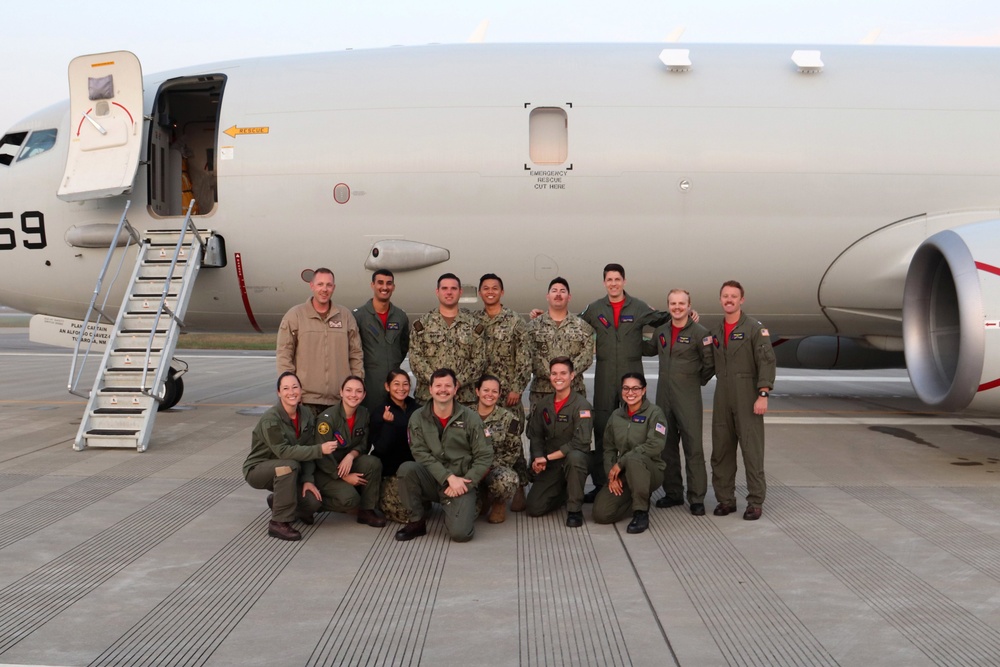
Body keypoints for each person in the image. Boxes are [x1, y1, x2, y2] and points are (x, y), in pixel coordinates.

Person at [579, 264, 669, 502]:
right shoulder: (595, 308)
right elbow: (573, 324)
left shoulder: (638, 307)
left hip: (632, 374)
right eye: (609, 280)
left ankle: (633, 479)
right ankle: (601, 483)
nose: (613, 283)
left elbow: (664, 319)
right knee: (602, 427)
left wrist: (687, 314)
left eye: (617, 279)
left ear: (624, 282)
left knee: (637, 429)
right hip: (606, 375)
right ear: (604, 283)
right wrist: (542, 315)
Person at [395, 368, 494, 543]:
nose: (443, 390)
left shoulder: (471, 418)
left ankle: (473, 501)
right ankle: (417, 521)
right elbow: (419, 452)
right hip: (433, 478)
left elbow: (484, 456)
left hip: (462, 481)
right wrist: (447, 477)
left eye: (448, 386)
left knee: (461, 534)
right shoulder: (417, 417)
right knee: (407, 469)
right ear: (430, 389)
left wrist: (465, 482)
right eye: (438, 385)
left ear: (456, 389)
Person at [642, 289, 715, 515]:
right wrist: (631, 331)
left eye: (681, 303)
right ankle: (673, 493)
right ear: (668, 306)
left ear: (689, 305)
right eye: (673, 303)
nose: (677, 307)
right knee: (666, 447)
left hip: (688, 398)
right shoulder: (661, 331)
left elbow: (710, 364)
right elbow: (648, 349)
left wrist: (693, 382)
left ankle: (696, 497)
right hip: (664, 397)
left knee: (693, 448)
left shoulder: (700, 333)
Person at [243, 371, 339, 541]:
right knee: (289, 465)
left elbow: (307, 446)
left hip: (289, 467)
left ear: (301, 390)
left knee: (312, 503)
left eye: (295, 387)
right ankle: (278, 523)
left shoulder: (307, 414)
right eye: (286, 388)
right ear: (279, 393)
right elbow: (284, 452)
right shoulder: (270, 419)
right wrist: (320, 449)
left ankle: (278, 501)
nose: (291, 392)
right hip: (259, 468)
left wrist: (308, 479)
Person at [710, 280, 776, 521]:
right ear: (720, 300)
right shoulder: (716, 332)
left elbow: (767, 361)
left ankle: (755, 501)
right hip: (722, 396)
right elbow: (708, 364)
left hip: (747, 394)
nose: (729, 300)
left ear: (741, 300)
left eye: (733, 296)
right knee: (721, 451)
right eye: (725, 296)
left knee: (752, 450)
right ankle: (725, 500)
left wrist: (763, 393)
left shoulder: (754, 329)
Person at [474, 273, 531, 510]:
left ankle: (518, 486)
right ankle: (485, 490)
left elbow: (525, 357)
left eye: (494, 288)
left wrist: (517, 388)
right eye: (485, 288)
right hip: (482, 395)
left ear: (502, 292)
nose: (490, 292)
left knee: (512, 442)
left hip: (508, 395)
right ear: (480, 292)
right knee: (481, 440)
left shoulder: (515, 321)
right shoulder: (474, 321)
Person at [276, 268, 364, 414]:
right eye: (320, 284)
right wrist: (290, 391)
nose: (324, 289)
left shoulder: (345, 316)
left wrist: (355, 388)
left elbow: (356, 354)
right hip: (306, 402)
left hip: (339, 401)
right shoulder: (295, 316)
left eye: (329, 285)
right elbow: (284, 356)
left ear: (333, 288)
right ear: (312, 286)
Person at [306, 376, 386, 527]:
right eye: (348, 390)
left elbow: (364, 444)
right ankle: (306, 506)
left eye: (358, 391)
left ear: (364, 395)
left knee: (372, 463)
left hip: (346, 463)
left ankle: (367, 511)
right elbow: (322, 456)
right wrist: (344, 477)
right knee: (350, 500)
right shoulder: (327, 420)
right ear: (341, 392)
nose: (353, 395)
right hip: (326, 471)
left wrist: (351, 455)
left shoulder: (363, 414)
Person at [592, 373, 667, 534]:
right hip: (625, 472)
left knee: (634, 458)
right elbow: (608, 449)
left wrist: (621, 463)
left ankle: (641, 512)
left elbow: (656, 445)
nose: (630, 392)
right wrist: (611, 476)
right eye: (626, 388)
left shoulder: (655, 413)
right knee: (601, 514)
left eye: (635, 388)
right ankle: (635, 497)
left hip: (650, 470)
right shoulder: (616, 416)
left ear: (644, 390)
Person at [525, 357, 593, 528]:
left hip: (574, 460)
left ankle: (574, 509)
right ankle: (565, 491)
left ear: (572, 376)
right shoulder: (544, 405)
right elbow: (536, 435)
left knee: (575, 457)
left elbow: (580, 443)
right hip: (552, 463)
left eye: (563, 373)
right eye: (554, 373)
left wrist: (546, 458)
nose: (558, 377)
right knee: (534, 507)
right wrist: (538, 458)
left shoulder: (581, 406)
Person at [408, 273, 487, 406]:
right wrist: (438, 383)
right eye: (444, 288)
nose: (449, 292)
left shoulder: (474, 326)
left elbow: (479, 361)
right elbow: (416, 359)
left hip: (463, 400)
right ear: (437, 292)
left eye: (453, 289)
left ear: (460, 292)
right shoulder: (422, 325)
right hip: (428, 400)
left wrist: (458, 382)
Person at [525, 277, 595, 405]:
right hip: (542, 393)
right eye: (554, 291)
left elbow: (587, 357)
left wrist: (566, 375)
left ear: (569, 297)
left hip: (574, 393)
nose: (558, 294)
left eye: (562, 291)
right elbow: (529, 355)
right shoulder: (532, 327)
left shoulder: (582, 327)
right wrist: (555, 375)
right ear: (547, 296)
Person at [354, 269, 410, 416]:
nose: (384, 287)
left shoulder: (400, 316)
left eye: (389, 283)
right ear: (372, 285)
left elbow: (403, 346)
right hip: (369, 384)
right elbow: (352, 350)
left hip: (394, 387)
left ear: (393, 287)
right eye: (380, 283)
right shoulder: (359, 316)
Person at [370, 368, 421, 524]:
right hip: (391, 471)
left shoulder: (417, 409)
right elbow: (381, 448)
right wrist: (388, 424)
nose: (401, 388)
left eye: (405, 384)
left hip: (413, 468)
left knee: (420, 508)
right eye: (396, 384)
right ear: (387, 386)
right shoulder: (380, 412)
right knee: (405, 515)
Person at [473, 374, 523, 524]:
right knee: (473, 514)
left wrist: (487, 468)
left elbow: (513, 452)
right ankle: (481, 498)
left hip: (494, 469)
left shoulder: (509, 418)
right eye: (485, 390)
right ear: (477, 391)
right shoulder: (465, 415)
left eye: (494, 391)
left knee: (508, 480)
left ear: (500, 394)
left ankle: (498, 502)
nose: (490, 395)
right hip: (470, 470)